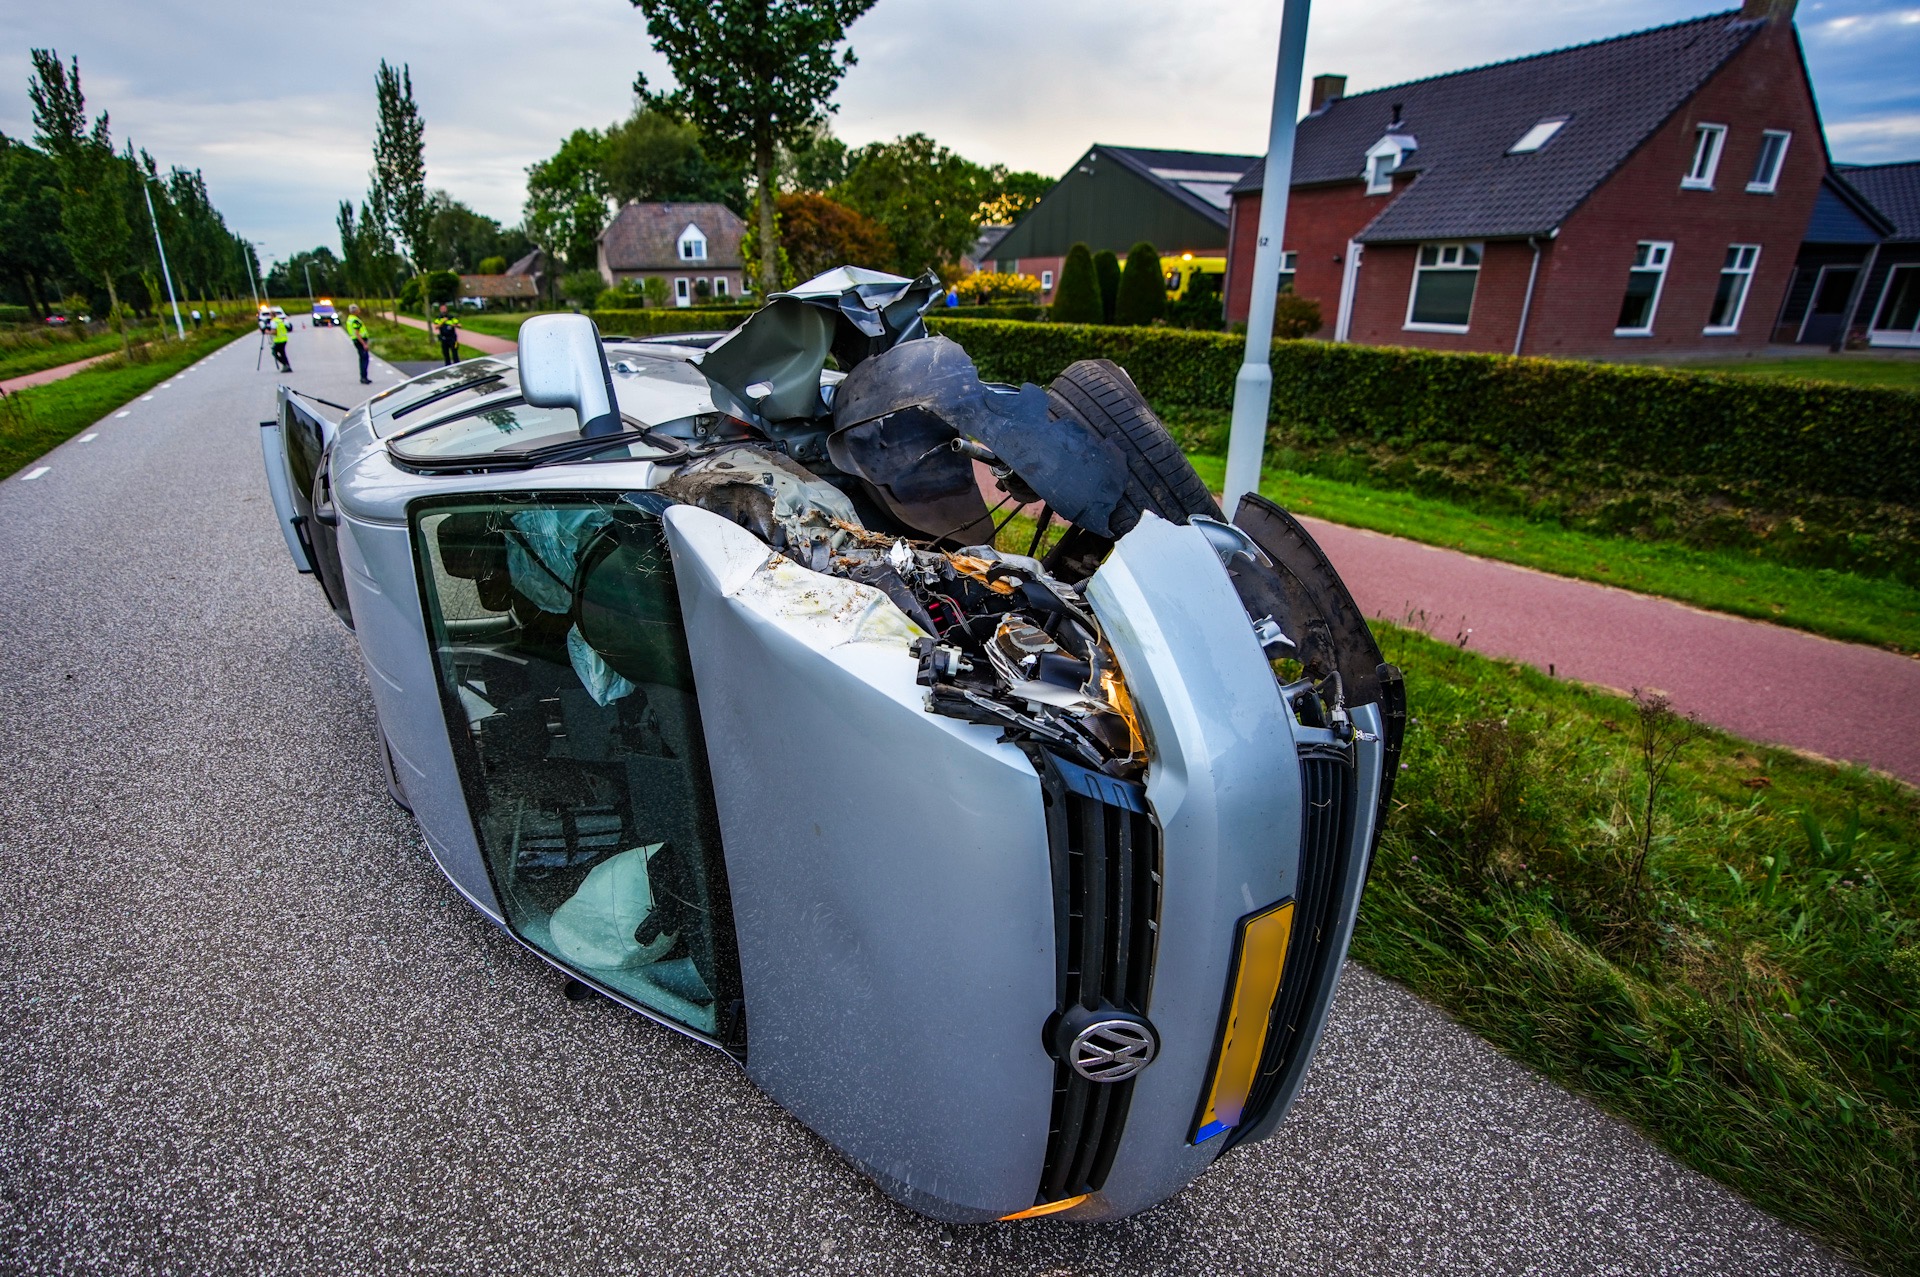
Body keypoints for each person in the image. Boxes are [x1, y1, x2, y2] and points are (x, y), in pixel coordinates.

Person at [344, 304, 372, 384]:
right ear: (355, 311)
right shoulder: (355, 321)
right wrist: (364, 344)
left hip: (356, 341)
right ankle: (364, 377)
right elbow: (357, 333)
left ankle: (363, 377)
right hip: (360, 341)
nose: (359, 311)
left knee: (362, 358)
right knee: (364, 359)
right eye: (358, 309)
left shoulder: (350, 319)